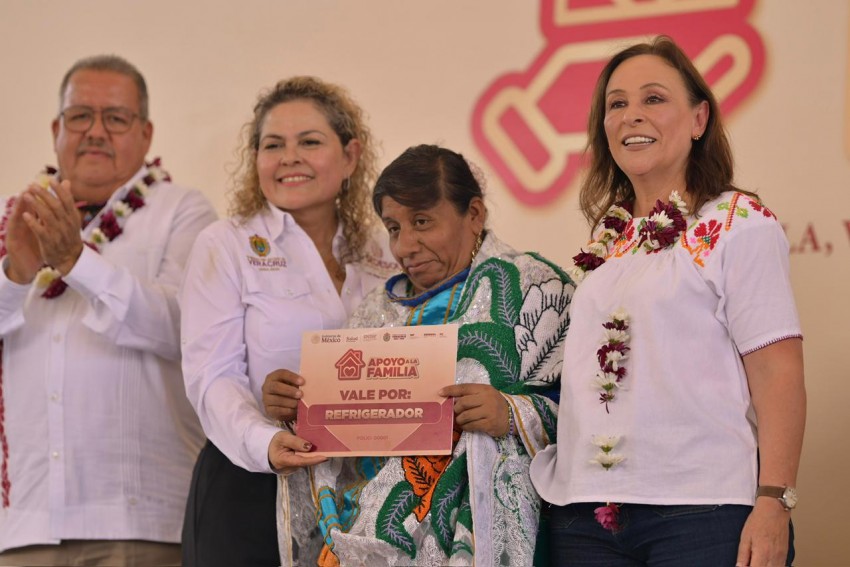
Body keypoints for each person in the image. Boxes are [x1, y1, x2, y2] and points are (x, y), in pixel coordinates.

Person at [529, 36, 805, 567]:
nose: (632, 115)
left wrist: (774, 501)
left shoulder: (738, 223)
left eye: (653, 98)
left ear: (699, 119)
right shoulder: (609, 237)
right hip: (586, 513)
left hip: (701, 510)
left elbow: (779, 373)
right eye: (617, 104)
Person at [263, 144, 574, 566]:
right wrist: (294, 407)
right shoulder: (376, 309)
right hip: (369, 539)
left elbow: (593, 415)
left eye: (422, 222)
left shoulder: (535, 288)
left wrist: (512, 413)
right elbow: (336, 436)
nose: (405, 246)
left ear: (474, 214)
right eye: (393, 228)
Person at [0, 55, 217, 566]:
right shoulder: (13, 218)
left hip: (138, 523)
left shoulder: (182, 212)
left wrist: (76, 262)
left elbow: (183, 328)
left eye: (115, 118)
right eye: (80, 116)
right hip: (28, 522)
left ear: (145, 133)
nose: (95, 131)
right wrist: (15, 274)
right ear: (56, 129)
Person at [178, 76, 398, 567]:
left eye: (310, 142)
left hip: (364, 493)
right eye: (273, 145)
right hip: (251, 483)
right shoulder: (225, 244)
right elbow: (212, 376)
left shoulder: (385, 250)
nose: (289, 157)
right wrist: (266, 440)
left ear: (351, 156)